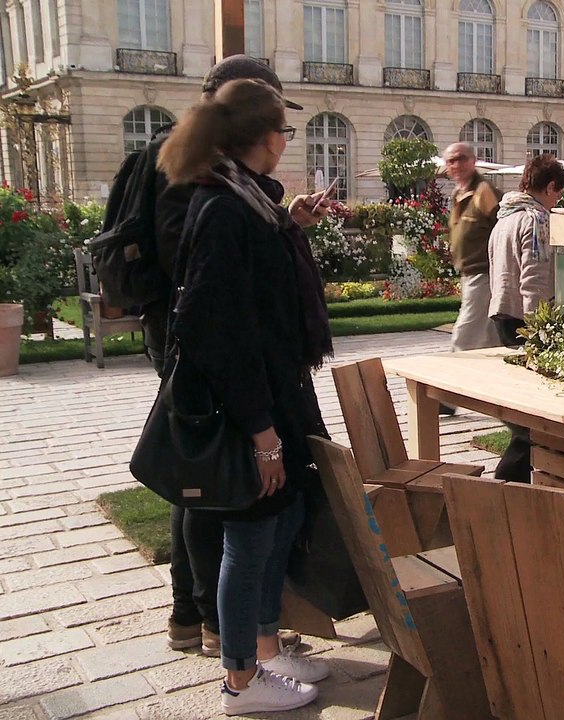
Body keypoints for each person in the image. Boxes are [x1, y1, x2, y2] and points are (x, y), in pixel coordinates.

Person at [157, 78, 333, 714]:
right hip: (248, 405)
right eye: (285, 129)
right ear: (265, 137)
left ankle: (264, 649)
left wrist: (291, 226)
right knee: (251, 538)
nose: (287, 140)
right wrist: (261, 433)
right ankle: (239, 680)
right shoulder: (225, 206)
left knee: (281, 520)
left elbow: (256, 290)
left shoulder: (248, 198)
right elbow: (216, 328)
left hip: (274, 390)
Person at [488, 154, 564, 483]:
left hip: (502, 313)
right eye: (559, 192)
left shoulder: (504, 218)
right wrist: (540, 328)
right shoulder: (536, 220)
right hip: (525, 319)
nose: (559, 199)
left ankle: (514, 485)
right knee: (532, 420)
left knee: (522, 411)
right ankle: (507, 483)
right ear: (549, 187)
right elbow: (533, 280)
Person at [444, 142, 502, 352]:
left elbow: (503, 224)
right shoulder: (458, 194)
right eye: (451, 161)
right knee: (489, 334)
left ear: (473, 161)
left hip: (484, 273)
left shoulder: (483, 190)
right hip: (470, 274)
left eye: (462, 159)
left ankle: (452, 368)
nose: (456, 165)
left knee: (464, 334)